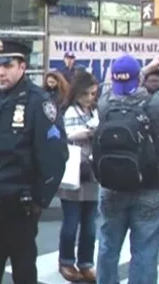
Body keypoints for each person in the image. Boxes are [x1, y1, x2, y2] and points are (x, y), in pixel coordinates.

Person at [0, 39, 68, 284]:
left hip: (20, 207)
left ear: (22, 67)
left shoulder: (38, 103)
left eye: (7, 64)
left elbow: (55, 157)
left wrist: (39, 201)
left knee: (24, 273)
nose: (0, 71)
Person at [95, 43, 159, 284]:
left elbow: (119, 83)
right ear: (139, 78)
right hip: (152, 188)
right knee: (145, 251)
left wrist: (146, 68)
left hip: (112, 187)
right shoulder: (156, 104)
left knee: (107, 247)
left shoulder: (104, 103)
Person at [57, 71, 99, 283]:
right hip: (74, 170)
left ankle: (86, 262)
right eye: (87, 94)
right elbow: (66, 135)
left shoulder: (94, 110)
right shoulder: (69, 111)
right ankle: (66, 260)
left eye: (93, 93)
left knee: (90, 224)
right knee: (71, 221)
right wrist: (87, 132)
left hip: (91, 171)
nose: (91, 98)